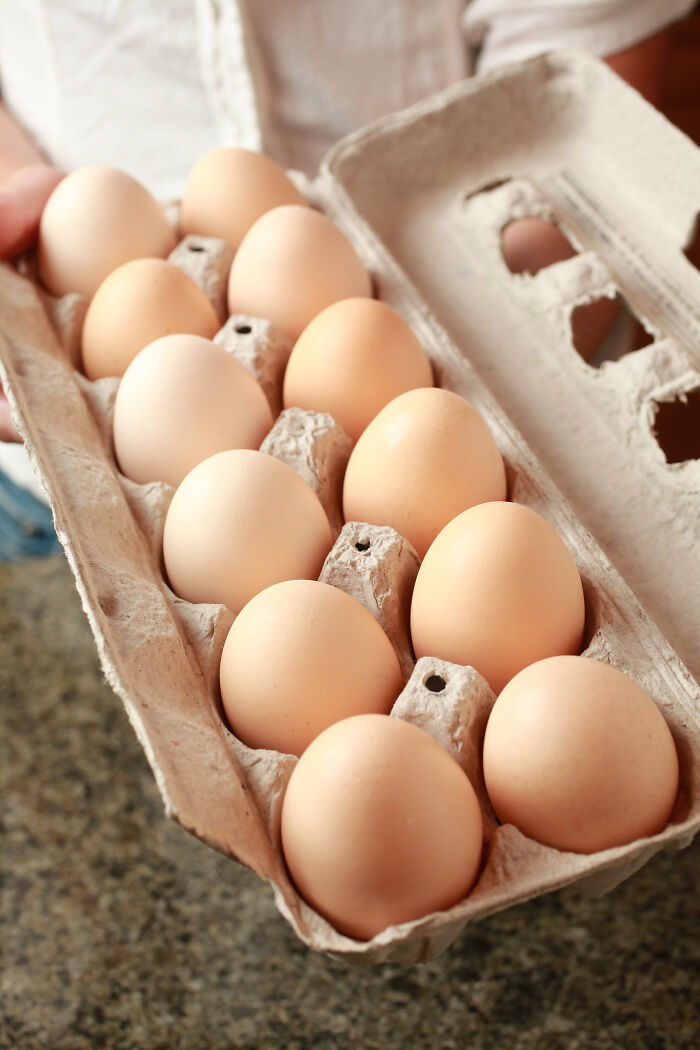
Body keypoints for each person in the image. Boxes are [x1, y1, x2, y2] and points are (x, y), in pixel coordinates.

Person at [0, 0, 695, 558]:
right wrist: (19, 198)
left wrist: (463, 313)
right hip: (58, 471)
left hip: (490, 398)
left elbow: (564, 88)